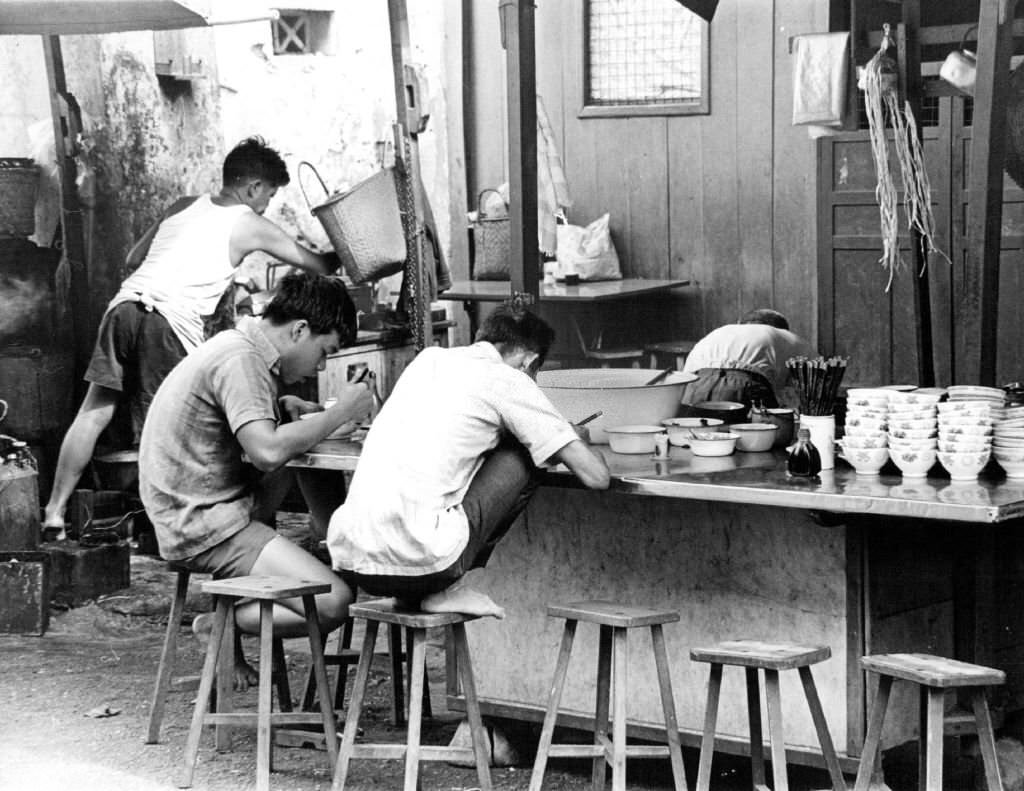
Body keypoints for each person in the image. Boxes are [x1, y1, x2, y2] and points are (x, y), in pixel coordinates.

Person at [43, 136, 337, 537]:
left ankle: (54, 513)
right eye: (267, 195)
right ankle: (165, 528)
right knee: (164, 426)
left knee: (94, 411)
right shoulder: (248, 223)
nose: (265, 205)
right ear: (252, 188)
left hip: (124, 306)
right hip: (168, 321)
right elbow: (315, 265)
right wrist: (344, 244)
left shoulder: (183, 206)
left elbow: (133, 259)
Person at [139, 272, 371, 684]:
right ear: (299, 329)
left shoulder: (241, 349)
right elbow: (266, 451)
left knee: (295, 448)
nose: (320, 365)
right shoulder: (241, 361)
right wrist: (340, 413)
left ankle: (330, 544)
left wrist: (283, 408)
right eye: (324, 352)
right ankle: (220, 625)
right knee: (335, 602)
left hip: (200, 506)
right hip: (203, 521)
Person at [325, 306, 611, 619]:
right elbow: (596, 477)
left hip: (352, 558)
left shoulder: (428, 361)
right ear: (528, 361)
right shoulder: (509, 379)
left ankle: (425, 591)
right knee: (525, 451)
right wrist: (568, 435)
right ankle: (445, 588)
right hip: (423, 565)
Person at [680, 308, 817, 410]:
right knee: (758, 442)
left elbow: (684, 379)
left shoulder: (719, 332)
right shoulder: (789, 338)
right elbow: (816, 384)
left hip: (695, 386)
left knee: (700, 440)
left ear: (740, 323)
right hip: (745, 384)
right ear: (782, 329)